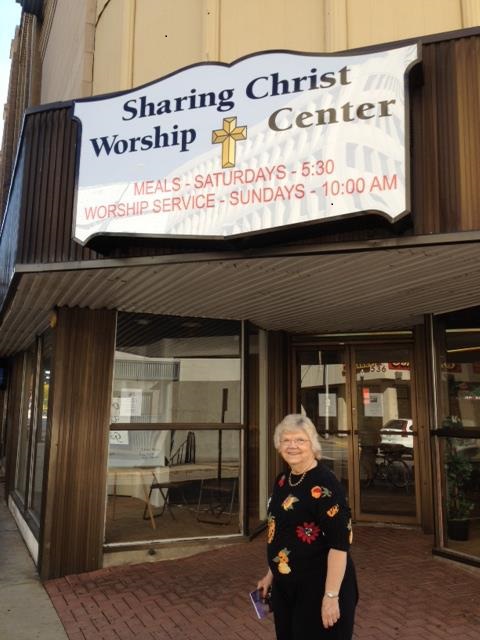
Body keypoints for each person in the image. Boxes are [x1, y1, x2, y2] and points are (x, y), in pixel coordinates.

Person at [257, 414, 358, 640]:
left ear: (313, 444)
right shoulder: (282, 480)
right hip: (286, 588)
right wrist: (270, 574)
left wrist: (331, 596)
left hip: (319, 588)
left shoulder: (326, 485)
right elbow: (281, 532)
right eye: (286, 440)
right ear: (278, 445)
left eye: (300, 440)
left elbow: (339, 545)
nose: (292, 445)